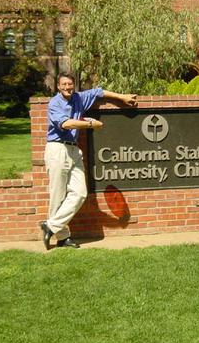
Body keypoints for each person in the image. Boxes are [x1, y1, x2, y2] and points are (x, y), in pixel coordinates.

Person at [40, 72, 137, 249]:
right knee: (57, 195)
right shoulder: (55, 103)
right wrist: (91, 124)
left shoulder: (79, 98)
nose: (67, 87)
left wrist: (122, 97)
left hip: (73, 150)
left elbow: (99, 92)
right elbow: (66, 124)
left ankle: (51, 226)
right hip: (57, 149)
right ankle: (62, 237)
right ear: (58, 86)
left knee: (80, 193)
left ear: (74, 85)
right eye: (64, 84)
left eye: (70, 84)